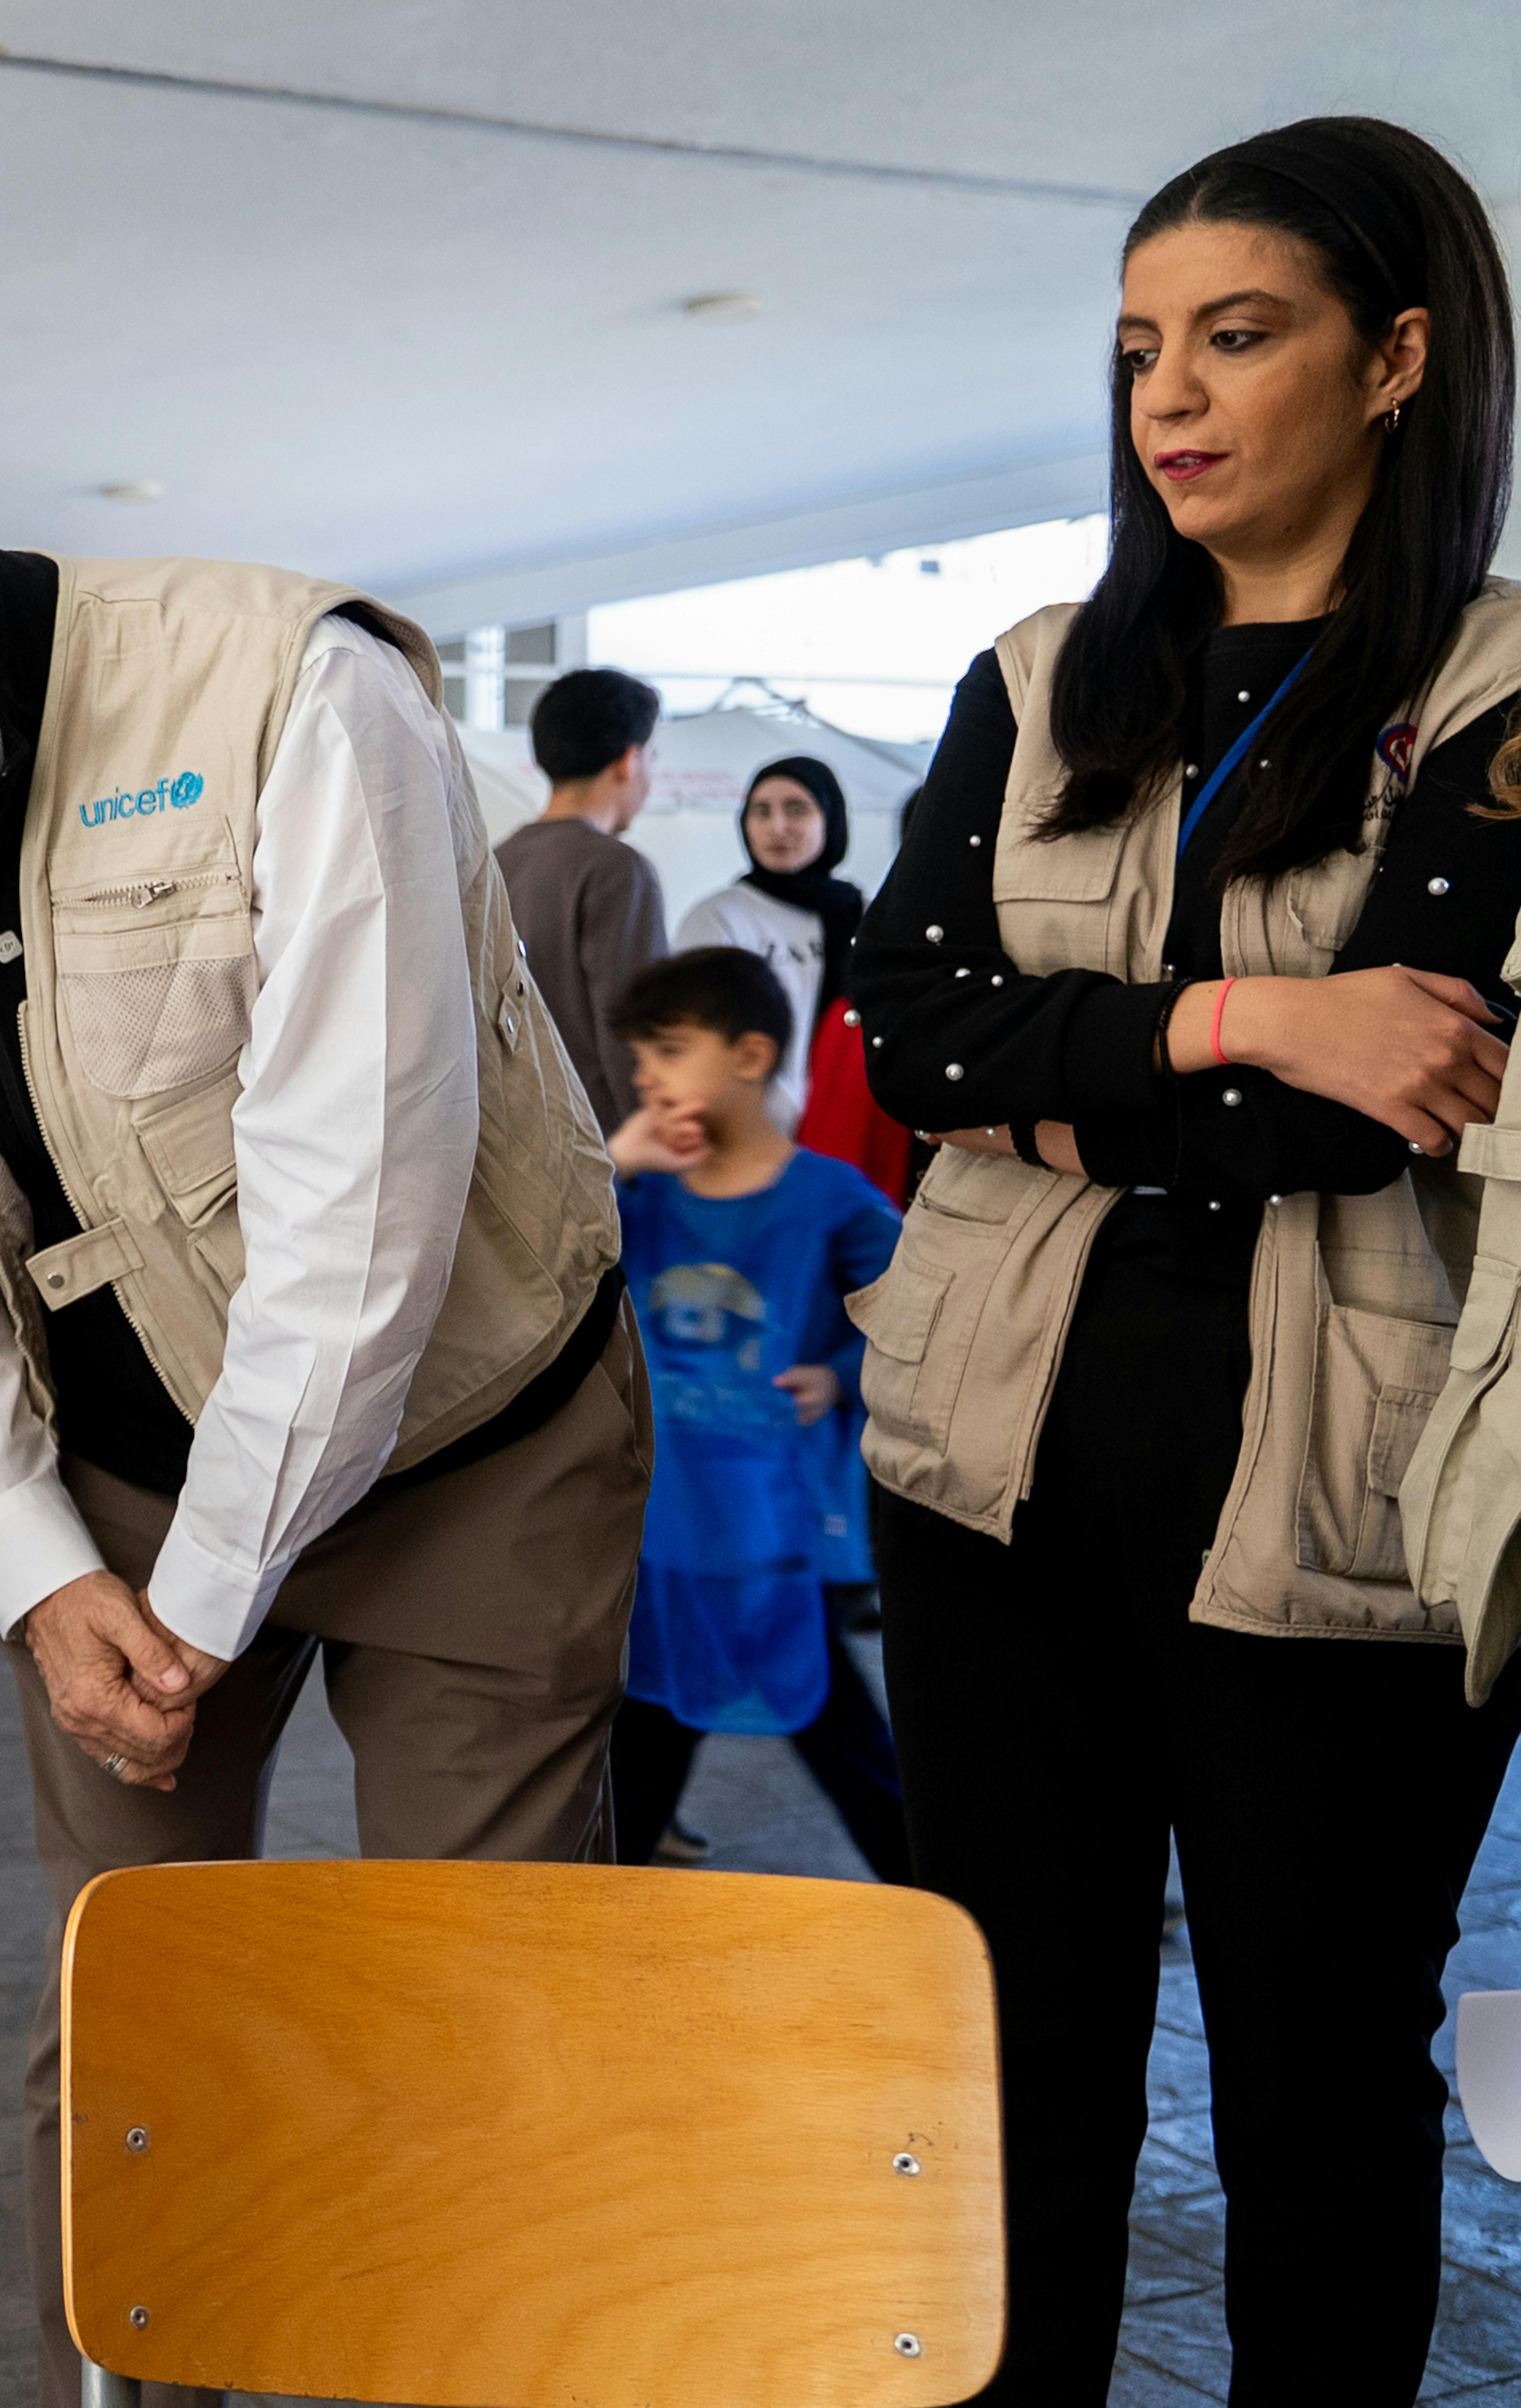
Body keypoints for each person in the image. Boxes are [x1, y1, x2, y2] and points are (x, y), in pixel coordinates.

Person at [0, 407, 646, 2407]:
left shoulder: (297, 704)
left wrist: (206, 1600)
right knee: (129, 2013)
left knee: (483, 2008)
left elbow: (363, 1218)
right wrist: (35, 1570)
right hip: (122, 1467)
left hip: (474, 1431)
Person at [853, 116, 1521, 2402]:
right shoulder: (1046, 677)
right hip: (990, 1470)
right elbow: (907, 1035)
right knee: (1001, 2067)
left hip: (1346, 1493)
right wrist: (1249, 1019)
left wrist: (1073, 1080)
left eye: (1241, 337)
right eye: (1143, 347)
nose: (1174, 397)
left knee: (1318, 2085)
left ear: (1403, 357)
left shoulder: (1502, 697)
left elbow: (1407, 1085)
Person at [599, 948, 907, 1883]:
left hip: (778, 1537)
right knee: (646, 1740)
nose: (647, 1076)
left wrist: (842, 1373)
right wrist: (612, 1162)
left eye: (670, 1051)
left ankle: (954, 1931)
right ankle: (575, 1929)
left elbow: (922, 1305)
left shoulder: (827, 1200)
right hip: (664, 1536)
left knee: (846, 1751)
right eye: (641, 1056)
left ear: (750, 1055)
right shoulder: (642, 1195)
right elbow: (559, 1269)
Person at [495, 666, 668, 1133]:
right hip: (596, 1146)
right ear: (628, 761)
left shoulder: (492, 863)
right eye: (652, 756)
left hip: (504, 1137)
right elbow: (633, 1030)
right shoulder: (617, 870)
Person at [672, 755, 863, 1128]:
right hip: (749, 1132)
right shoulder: (717, 919)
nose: (777, 827)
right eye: (761, 811)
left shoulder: (863, 915)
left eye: (797, 810)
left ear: (832, 820)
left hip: (848, 1126)